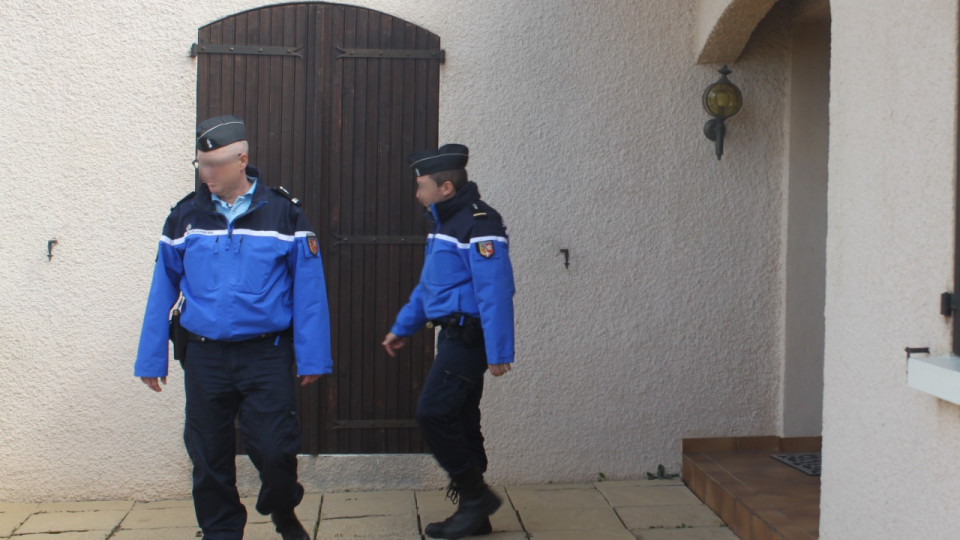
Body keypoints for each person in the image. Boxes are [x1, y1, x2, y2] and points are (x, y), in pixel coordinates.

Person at [134, 115, 332, 540]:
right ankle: (221, 531)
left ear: (242, 160)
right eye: (200, 164)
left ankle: (281, 506)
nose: (205, 173)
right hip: (204, 355)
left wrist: (313, 354)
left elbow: (310, 292)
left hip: (266, 353)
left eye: (215, 164)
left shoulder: (284, 215)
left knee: (276, 449)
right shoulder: (185, 217)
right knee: (207, 453)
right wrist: (152, 356)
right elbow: (161, 289)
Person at [382, 144, 516, 539]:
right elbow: (431, 288)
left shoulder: (479, 223)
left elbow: (495, 289)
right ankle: (477, 516)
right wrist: (403, 327)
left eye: (421, 185)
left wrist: (498, 350)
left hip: (469, 337)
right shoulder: (445, 223)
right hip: (452, 334)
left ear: (445, 188)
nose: (416, 193)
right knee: (461, 417)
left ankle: (476, 499)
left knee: (433, 412)